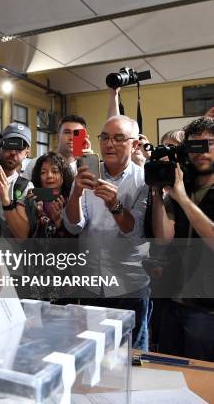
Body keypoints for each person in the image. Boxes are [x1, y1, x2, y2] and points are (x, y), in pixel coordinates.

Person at [63, 115, 151, 351]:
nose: (109, 144)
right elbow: (74, 226)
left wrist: (115, 206)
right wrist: (76, 194)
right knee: (92, 352)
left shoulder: (143, 181)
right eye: (105, 137)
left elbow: (134, 232)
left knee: (131, 354)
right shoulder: (86, 173)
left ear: (134, 145)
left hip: (129, 284)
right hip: (91, 280)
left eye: (119, 138)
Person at [151, 117, 214, 361]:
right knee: (170, 378)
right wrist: (158, 190)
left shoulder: (183, 195)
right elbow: (163, 238)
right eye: (195, 146)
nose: (201, 152)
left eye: (208, 144)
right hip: (173, 302)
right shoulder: (181, 187)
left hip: (207, 310)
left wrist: (184, 201)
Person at [22, 115, 88, 180]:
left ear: (84, 139)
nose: (72, 138)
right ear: (57, 136)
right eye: (67, 132)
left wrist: (88, 158)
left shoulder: (87, 169)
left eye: (77, 134)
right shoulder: (36, 164)